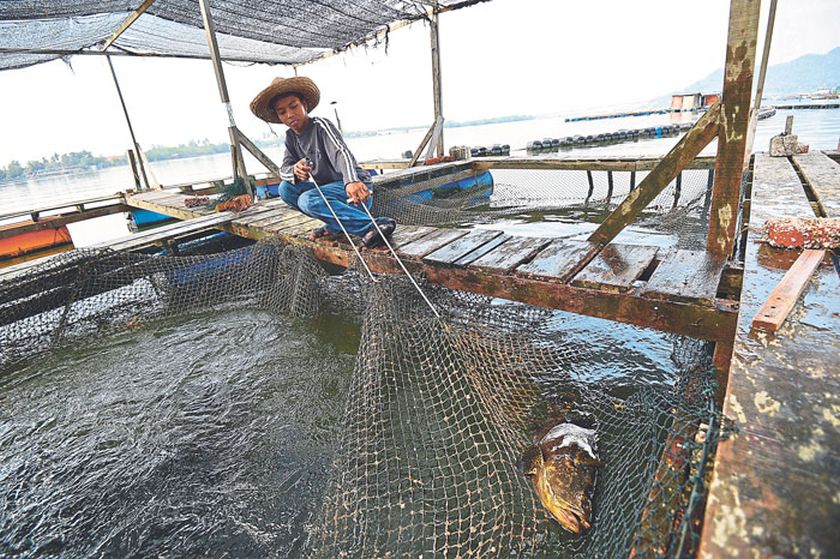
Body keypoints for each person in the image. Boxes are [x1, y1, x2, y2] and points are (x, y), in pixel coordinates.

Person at [250, 76, 396, 247]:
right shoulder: (291, 137)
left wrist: (352, 181)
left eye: (293, 106)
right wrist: (295, 170)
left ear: (304, 104)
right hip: (330, 195)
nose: (290, 114)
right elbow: (283, 169)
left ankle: (374, 225)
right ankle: (336, 226)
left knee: (307, 200)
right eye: (282, 112)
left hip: (354, 193)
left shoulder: (320, 125)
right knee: (285, 188)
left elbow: (342, 152)